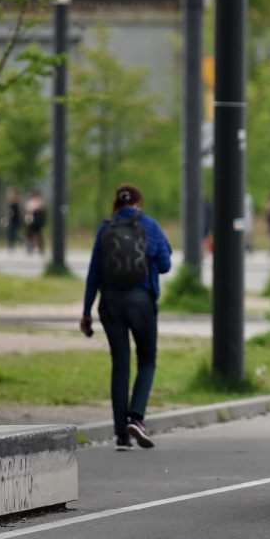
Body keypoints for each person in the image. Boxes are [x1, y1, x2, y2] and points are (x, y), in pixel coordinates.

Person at [80, 184, 174, 451]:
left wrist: (87, 311)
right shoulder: (150, 226)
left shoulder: (105, 228)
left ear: (117, 204)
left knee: (120, 363)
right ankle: (137, 418)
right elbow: (166, 265)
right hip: (141, 301)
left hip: (110, 303)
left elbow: (94, 273)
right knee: (147, 360)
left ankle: (121, 434)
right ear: (138, 203)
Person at [24, 189, 46, 256]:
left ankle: (38, 247)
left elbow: (38, 207)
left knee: (37, 234)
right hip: (32, 220)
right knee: (31, 234)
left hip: (37, 219)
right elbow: (28, 208)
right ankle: (32, 247)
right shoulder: (31, 201)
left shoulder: (39, 201)